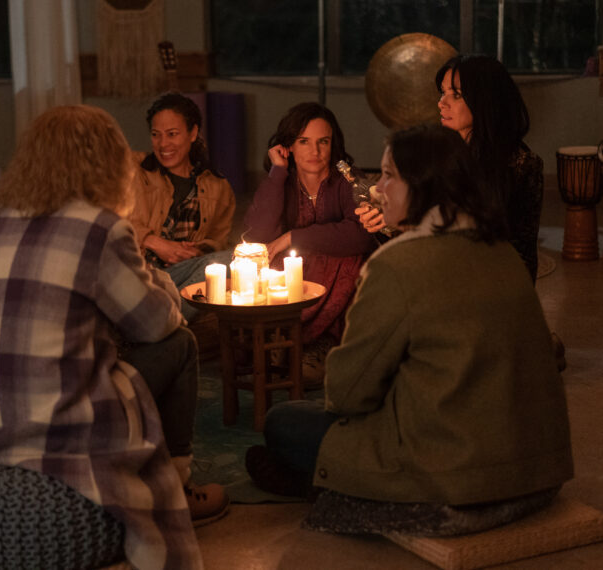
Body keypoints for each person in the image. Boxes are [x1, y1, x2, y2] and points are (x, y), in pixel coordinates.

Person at [246, 125, 573, 535]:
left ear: (422, 185)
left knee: (284, 421)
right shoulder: (501, 250)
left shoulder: (398, 265)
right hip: (537, 471)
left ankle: (330, 487)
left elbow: (348, 393)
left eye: (388, 176)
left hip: (456, 480)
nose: (378, 190)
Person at [0, 105, 227, 569]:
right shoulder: (100, 228)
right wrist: (162, 281)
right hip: (56, 422)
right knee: (180, 345)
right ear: (107, 163)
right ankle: (178, 483)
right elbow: (156, 324)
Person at [359, 54, 544, 282]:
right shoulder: (442, 154)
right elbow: (426, 234)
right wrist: (387, 220)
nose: (441, 103)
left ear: (483, 99)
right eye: (442, 93)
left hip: (492, 281)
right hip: (444, 271)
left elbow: (479, 243)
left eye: (455, 95)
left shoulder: (519, 163)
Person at [244, 102, 376, 350]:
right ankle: (281, 341)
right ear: (289, 146)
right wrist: (277, 172)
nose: (314, 150)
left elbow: (360, 234)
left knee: (347, 260)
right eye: (304, 141)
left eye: (322, 141)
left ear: (332, 143)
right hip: (295, 281)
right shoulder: (282, 181)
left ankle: (324, 344)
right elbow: (258, 234)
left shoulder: (348, 179)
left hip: (340, 283)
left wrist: (293, 237)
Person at [128, 91, 236, 319]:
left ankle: (157, 320)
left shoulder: (218, 186)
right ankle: (165, 322)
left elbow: (219, 240)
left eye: (172, 134)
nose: (163, 143)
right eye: (156, 135)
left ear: (193, 133)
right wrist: (154, 242)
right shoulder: (132, 168)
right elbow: (107, 219)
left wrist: (196, 251)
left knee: (229, 260)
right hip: (135, 273)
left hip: (180, 275)